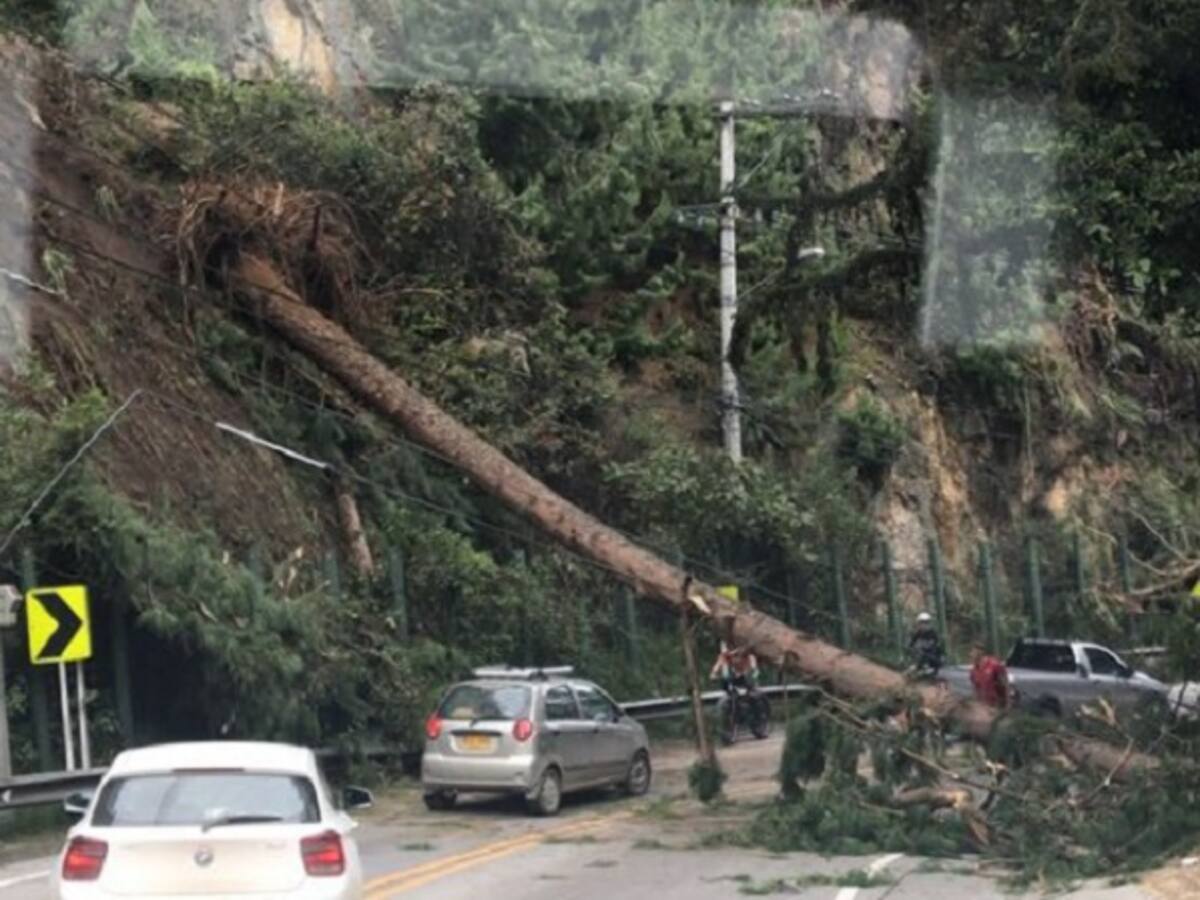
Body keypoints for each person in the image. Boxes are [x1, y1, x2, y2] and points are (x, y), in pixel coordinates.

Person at [969, 643, 1012, 708]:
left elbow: (1005, 684)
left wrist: (1008, 703)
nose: (971, 654)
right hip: (983, 708)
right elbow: (975, 689)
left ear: (980, 652)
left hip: (996, 706)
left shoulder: (994, 665)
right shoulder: (973, 671)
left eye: (973, 652)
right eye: (971, 652)